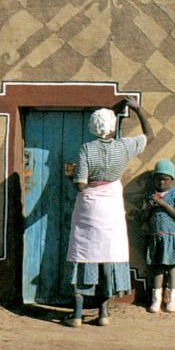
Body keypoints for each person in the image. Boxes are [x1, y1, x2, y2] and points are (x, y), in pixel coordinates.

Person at [63, 96, 153, 327]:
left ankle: (76, 316)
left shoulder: (86, 149)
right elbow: (149, 136)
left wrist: (73, 174)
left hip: (90, 206)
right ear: (113, 126)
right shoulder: (124, 146)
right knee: (109, 255)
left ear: (92, 128)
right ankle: (103, 313)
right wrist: (136, 108)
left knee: (85, 254)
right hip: (111, 205)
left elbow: (81, 185)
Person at [143, 159, 175, 313]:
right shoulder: (149, 196)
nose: (161, 182)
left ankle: (171, 299)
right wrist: (150, 208)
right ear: (154, 179)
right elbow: (144, 217)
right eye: (158, 178)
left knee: (172, 268)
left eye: (165, 179)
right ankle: (156, 299)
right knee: (157, 268)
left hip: (171, 237)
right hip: (156, 238)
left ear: (171, 179)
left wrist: (165, 205)